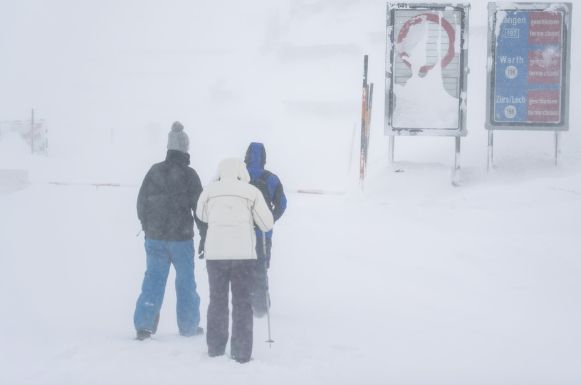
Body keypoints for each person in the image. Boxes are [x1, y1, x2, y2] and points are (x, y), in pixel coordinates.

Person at [196, 158, 274, 363]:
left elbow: (201, 215)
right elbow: (266, 223)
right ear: (242, 172)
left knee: (217, 301)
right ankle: (241, 352)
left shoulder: (210, 191)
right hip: (243, 256)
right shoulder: (251, 192)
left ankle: (215, 347)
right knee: (242, 303)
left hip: (215, 256)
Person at [133, 121, 205, 341]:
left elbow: (141, 203)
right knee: (185, 282)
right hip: (181, 239)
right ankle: (188, 326)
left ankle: (144, 325)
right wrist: (205, 234)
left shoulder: (154, 171)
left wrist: (147, 227)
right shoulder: (190, 175)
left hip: (155, 238)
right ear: (185, 149)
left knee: (153, 280)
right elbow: (200, 209)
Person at [244, 142, 287, 317]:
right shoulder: (271, 178)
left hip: (242, 231)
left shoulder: (240, 177)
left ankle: (244, 301)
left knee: (244, 266)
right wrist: (270, 219)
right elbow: (282, 204)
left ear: (246, 156)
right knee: (261, 266)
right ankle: (261, 305)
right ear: (264, 158)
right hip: (263, 232)